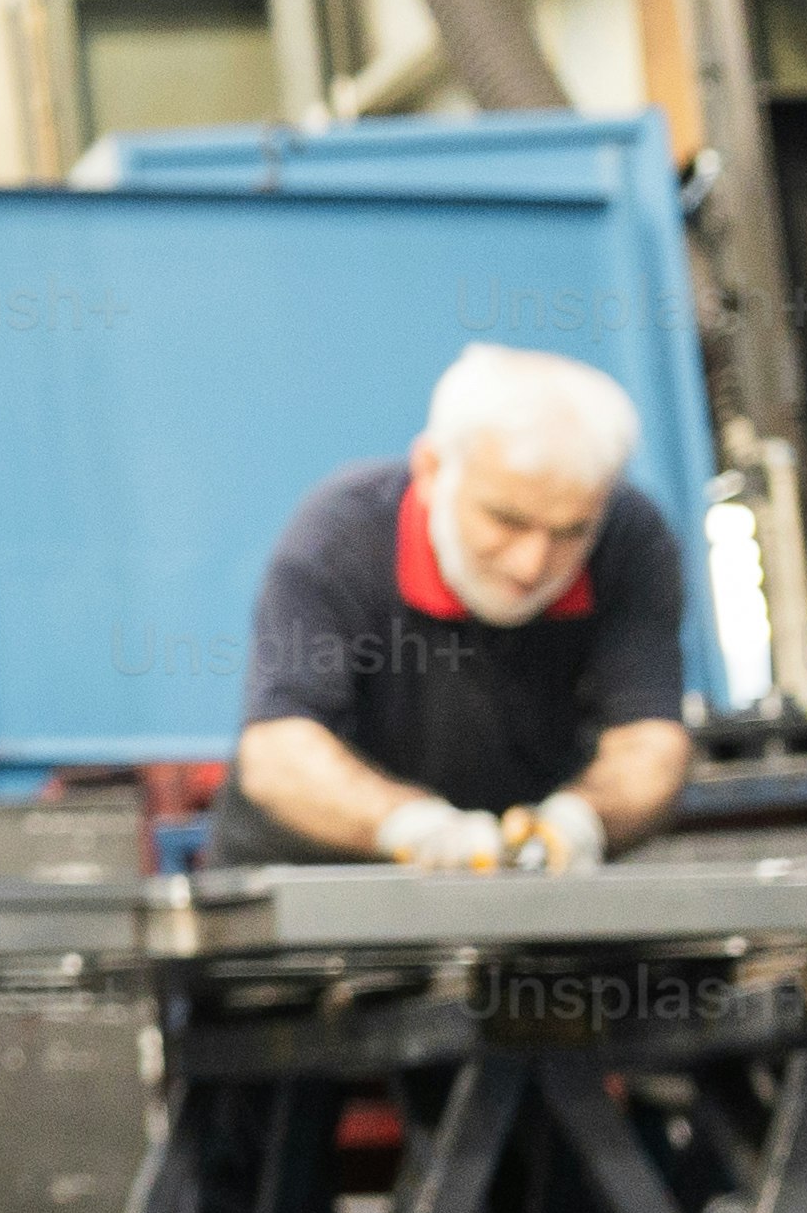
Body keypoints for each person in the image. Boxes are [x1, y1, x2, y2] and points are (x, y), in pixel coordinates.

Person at [221, 343, 696, 871]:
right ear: (431, 469)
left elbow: (649, 741)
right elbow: (278, 753)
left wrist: (581, 821)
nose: (532, 565)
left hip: (535, 894)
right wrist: (414, 829)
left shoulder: (631, 539)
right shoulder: (338, 539)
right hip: (320, 891)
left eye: (570, 531)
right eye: (506, 520)